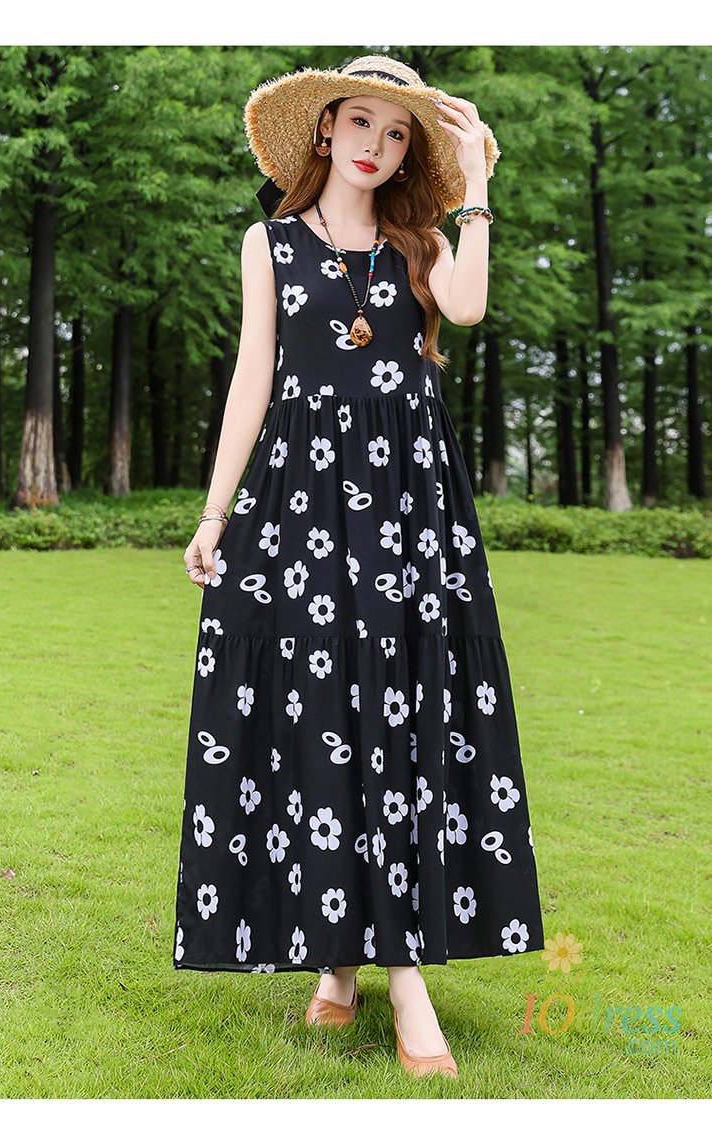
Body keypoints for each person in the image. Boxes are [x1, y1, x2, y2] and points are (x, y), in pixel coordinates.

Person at [174, 54, 545, 1080]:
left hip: (410, 508)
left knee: (400, 711)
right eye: (362, 123)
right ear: (326, 128)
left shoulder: (423, 242)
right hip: (302, 504)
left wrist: (477, 186)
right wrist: (214, 511)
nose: (376, 145)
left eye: (397, 132)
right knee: (325, 713)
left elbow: (467, 309)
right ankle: (355, 962)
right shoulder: (270, 242)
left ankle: (372, 967)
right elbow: (253, 377)